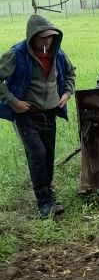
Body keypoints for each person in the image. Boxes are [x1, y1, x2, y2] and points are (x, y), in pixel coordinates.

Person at [0, 14, 77, 217]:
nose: (48, 40)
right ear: (32, 36)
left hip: (49, 114)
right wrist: (14, 103)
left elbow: (70, 73)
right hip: (26, 115)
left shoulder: (57, 54)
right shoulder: (17, 54)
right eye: (43, 37)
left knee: (49, 156)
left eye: (51, 36)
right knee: (37, 154)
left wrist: (66, 93)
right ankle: (43, 203)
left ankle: (49, 195)